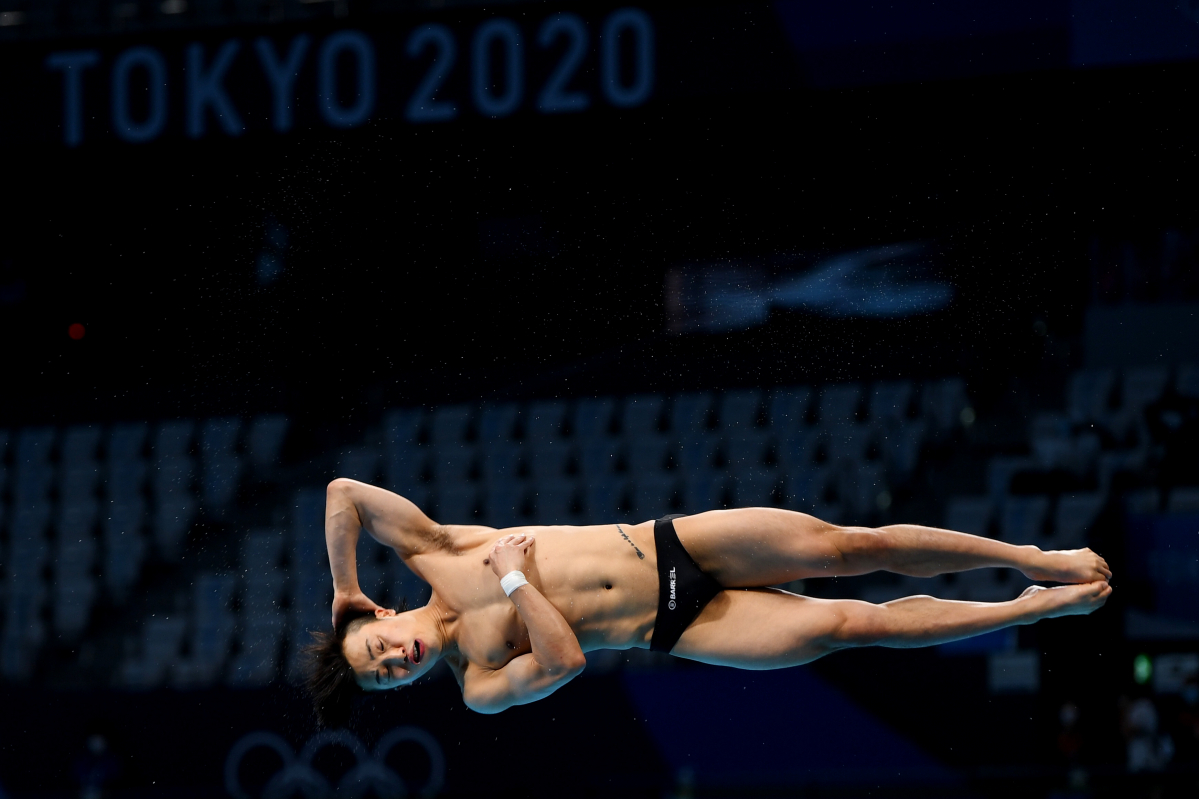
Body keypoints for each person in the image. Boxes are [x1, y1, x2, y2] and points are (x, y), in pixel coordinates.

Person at [308, 479, 1112, 724]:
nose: (393, 663)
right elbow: (564, 659)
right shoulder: (479, 682)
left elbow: (344, 494)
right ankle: (1033, 607)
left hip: (673, 544)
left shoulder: (439, 551)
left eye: (377, 651)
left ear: (383, 616)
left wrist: (344, 584)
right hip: (678, 624)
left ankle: (1031, 557)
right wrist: (517, 578)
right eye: (386, 679)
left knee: (851, 549)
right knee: (849, 625)